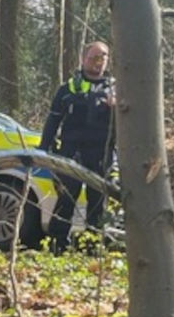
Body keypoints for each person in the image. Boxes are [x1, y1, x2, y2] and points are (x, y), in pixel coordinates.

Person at [40, 41, 117, 252]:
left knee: (97, 203)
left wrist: (116, 109)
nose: (98, 63)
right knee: (66, 199)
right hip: (71, 151)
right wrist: (44, 147)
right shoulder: (68, 88)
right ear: (83, 59)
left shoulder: (116, 89)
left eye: (103, 58)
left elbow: (128, 127)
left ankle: (92, 249)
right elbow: (53, 120)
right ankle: (58, 247)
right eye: (93, 58)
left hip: (101, 154)